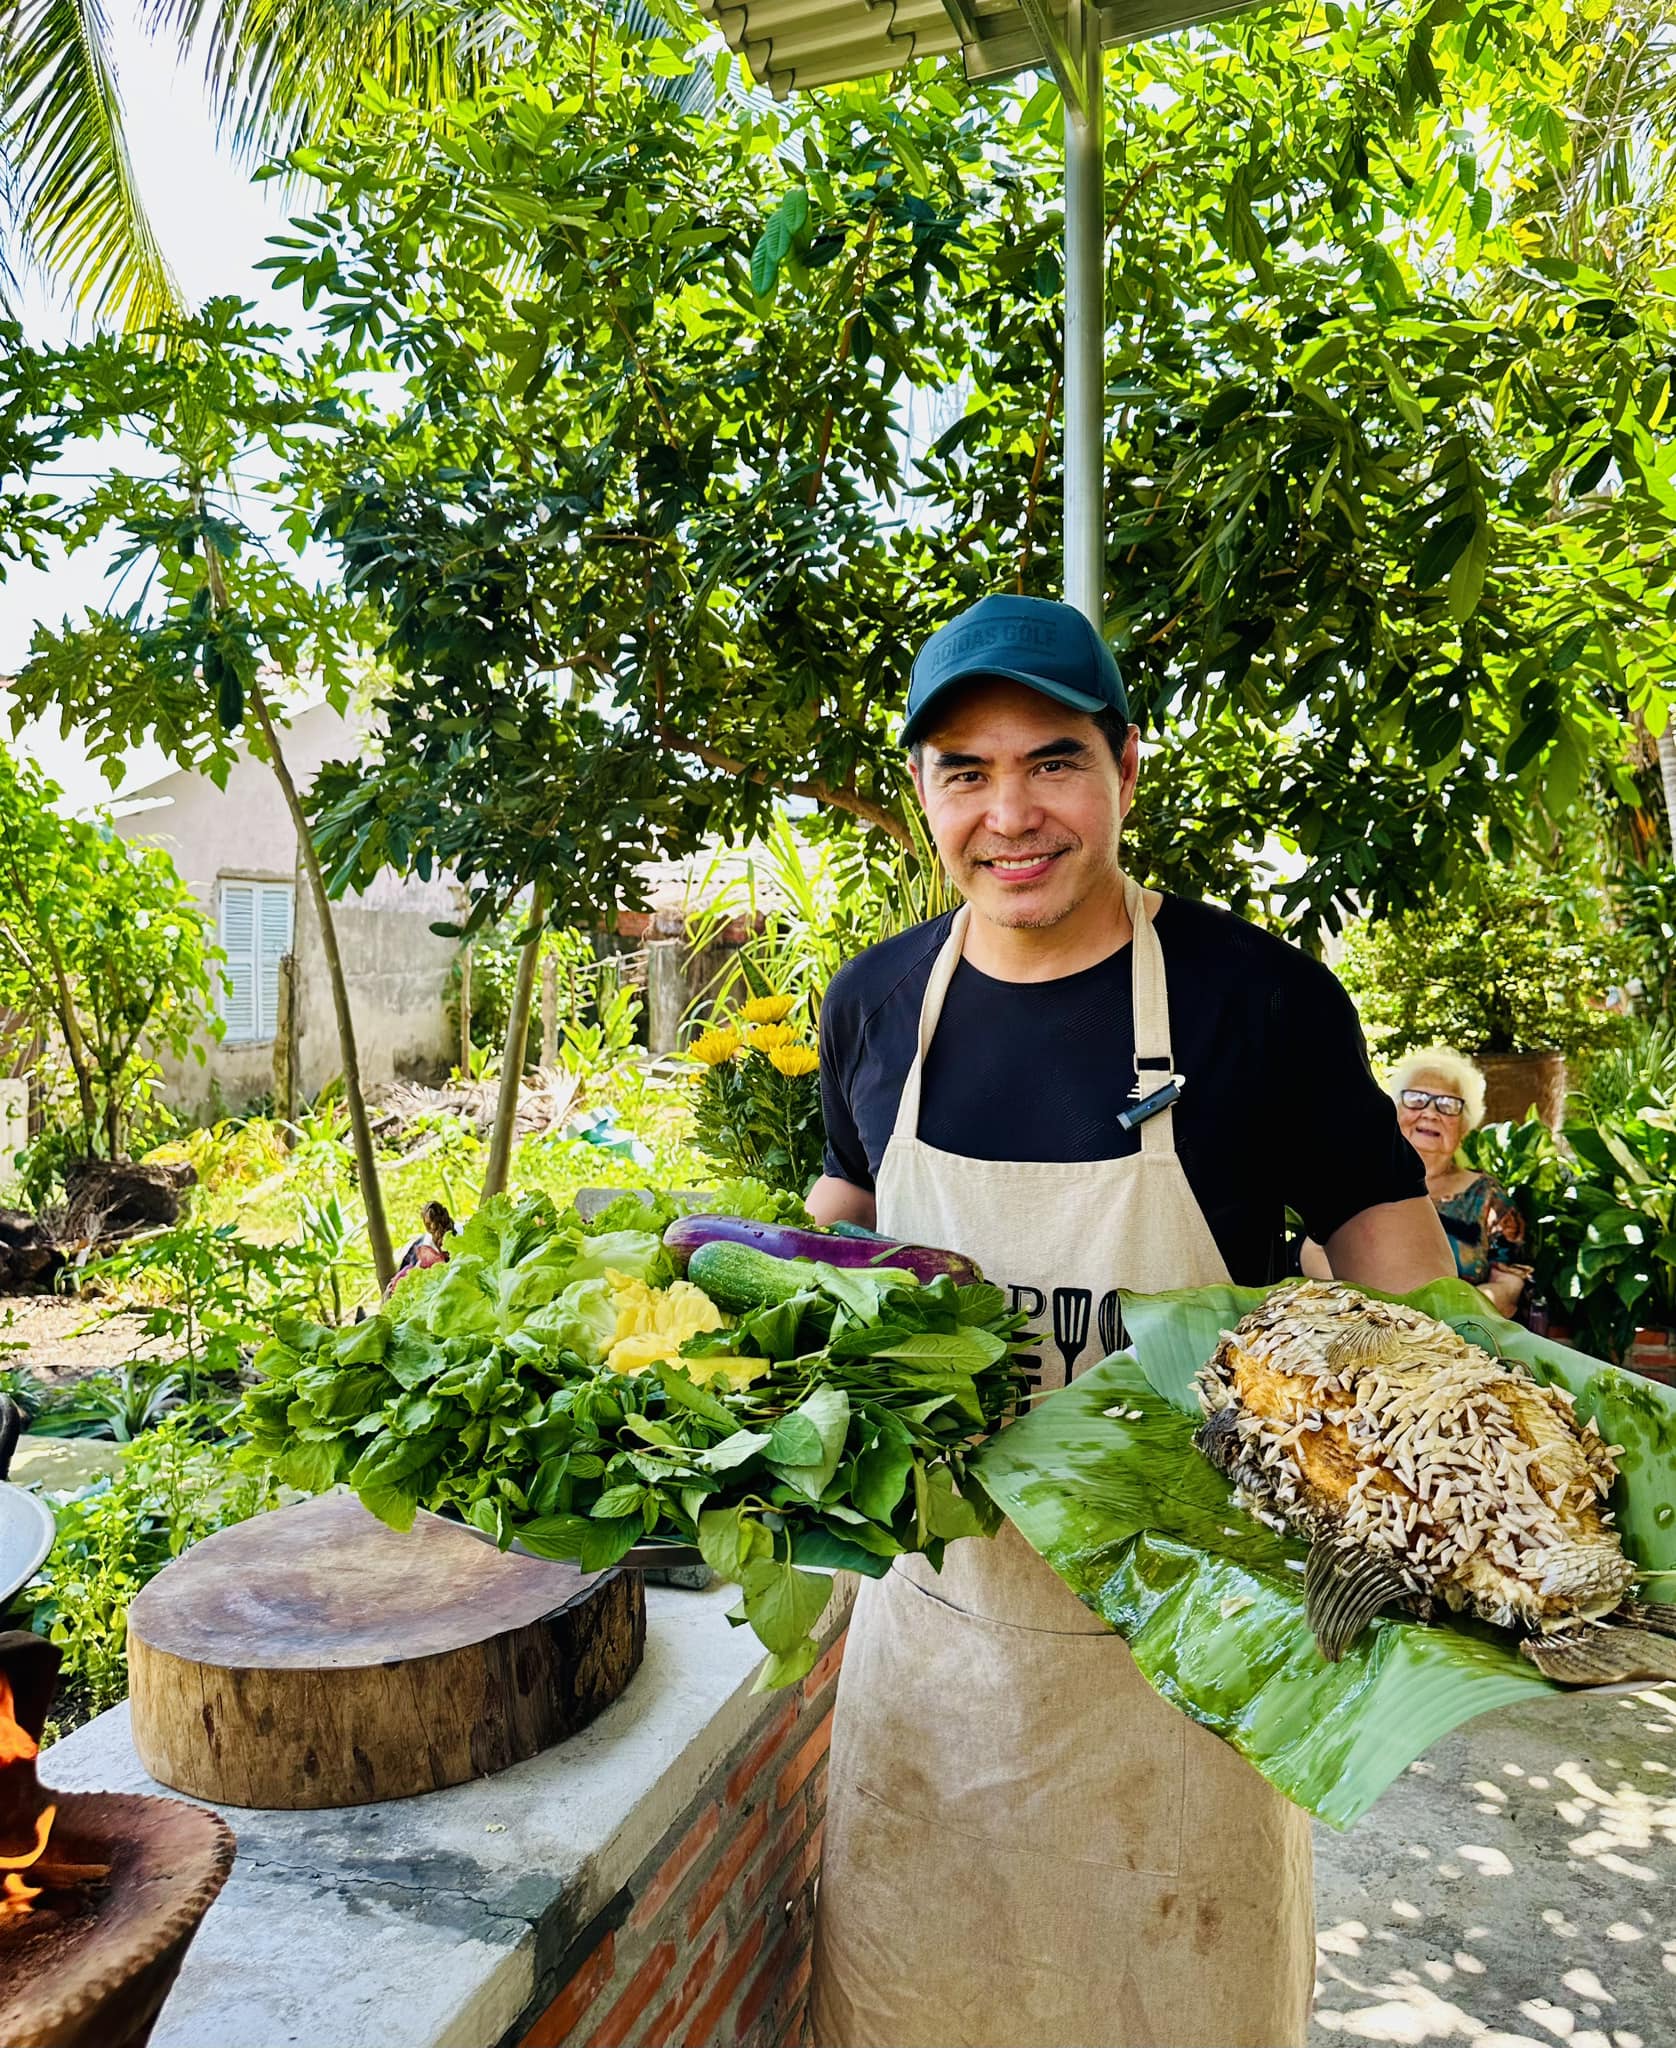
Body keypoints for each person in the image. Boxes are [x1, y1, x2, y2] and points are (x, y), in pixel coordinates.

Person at [805, 593, 1455, 2048]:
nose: (1009, 812)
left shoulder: (1257, 1004)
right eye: (963, 771)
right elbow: (826, 1259)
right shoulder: (873, 1006)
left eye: (1053, 760)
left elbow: (1421, 1308)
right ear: (921, 793)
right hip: (934, 1664)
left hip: (1193, 1672)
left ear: (1125, 771)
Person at [1389, 1047, 1531, 1318]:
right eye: (1416, 1099)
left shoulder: (1488, 1197)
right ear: (1395, 1111)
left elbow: (1511, 1285)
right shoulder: (1363, 1183)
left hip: (1458, 1340)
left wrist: (1457, 1309)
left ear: (1464, 1127)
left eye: (1447, 1104)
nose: (1430, 1113)